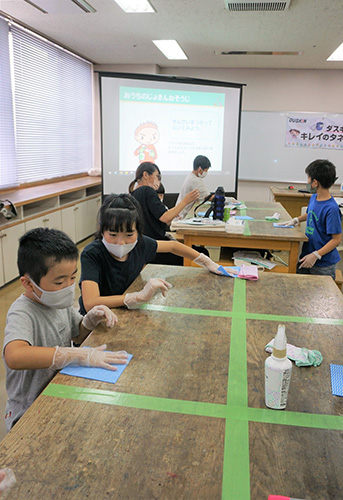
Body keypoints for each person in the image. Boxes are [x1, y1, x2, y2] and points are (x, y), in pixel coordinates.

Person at [3, 228, 128, 431]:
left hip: (60, 389)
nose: (69, 286)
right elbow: (14, 356)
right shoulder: (22, 312)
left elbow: (76, 333)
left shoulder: (57, 301)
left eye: (72, 278)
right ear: (28, 283)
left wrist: (90, 320)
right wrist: (74, 354)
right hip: (29, 410)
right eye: (59, 281)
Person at [79, 193, 222, 313]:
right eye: (113, 234)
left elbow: (173, 246)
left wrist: (207, 262)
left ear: (138, 230)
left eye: (129, 235)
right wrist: (135, 297)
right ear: (101, 230)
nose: (120, 242)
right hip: (96, 321)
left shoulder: (140, 244)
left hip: (125, 313)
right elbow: (90, 303)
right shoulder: (92, 254)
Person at [277, 159, 342, 280]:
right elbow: (311, 213)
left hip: (324, 263)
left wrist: (316, 255)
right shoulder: (314, 197)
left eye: (308, 178)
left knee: (321, 295)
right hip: (307, 253)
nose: (307, 182)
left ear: (315, 182)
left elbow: (336, 239)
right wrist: (296, 220)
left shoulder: (331, 208)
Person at [129, 162, 200, 265]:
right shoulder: (148, 191)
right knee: (201, 253)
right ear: (145, 175)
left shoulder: (134, 194)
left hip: (144, 247)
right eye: (157, 177)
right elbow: (165, 218)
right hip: (156, 248)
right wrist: (186, 201)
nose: (158, 181)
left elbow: (158, 218)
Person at [176, 155, 214, 220]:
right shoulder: (195, 180)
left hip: (181, 213)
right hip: (182, 217)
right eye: (206, 170)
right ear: (200, 169)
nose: (206, 172)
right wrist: (229, 200)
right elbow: (209, 197)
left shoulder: (191, 176)